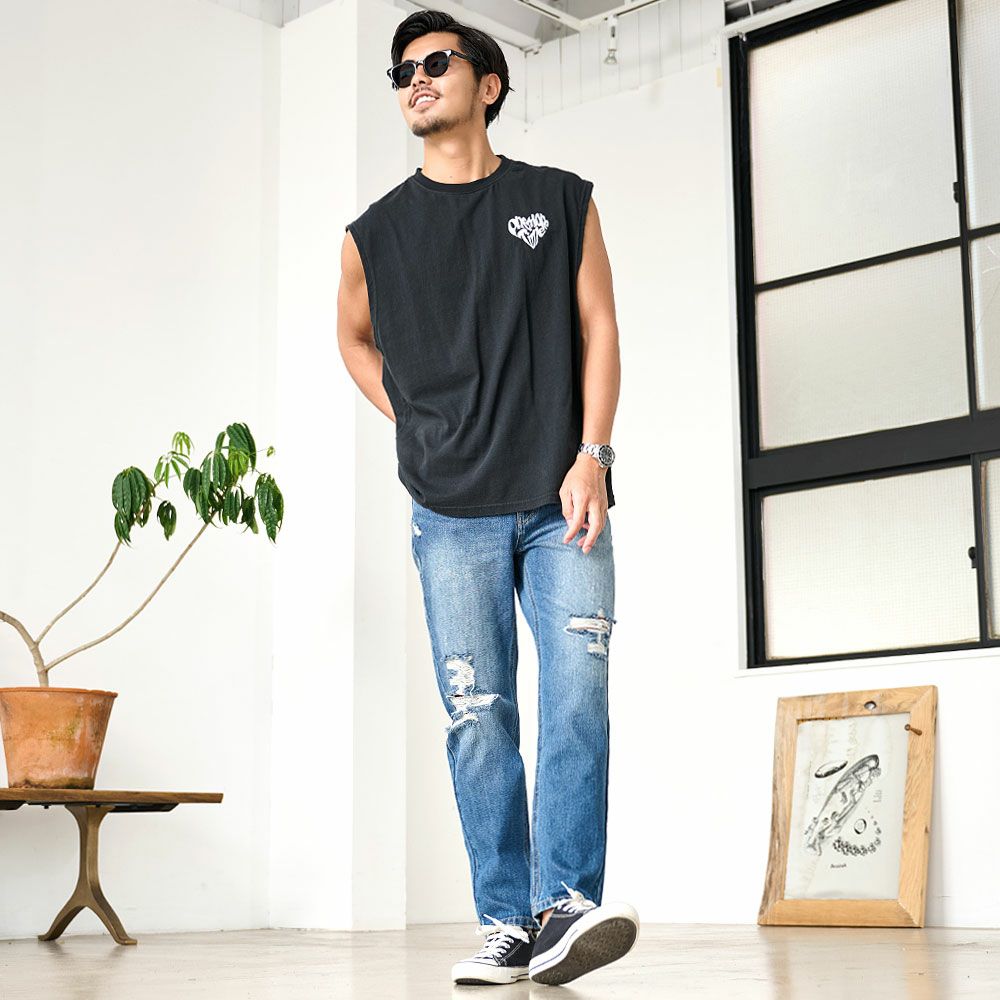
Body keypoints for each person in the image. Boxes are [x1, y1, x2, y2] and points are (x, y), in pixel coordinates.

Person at [338, 9, 638, 987]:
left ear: (488, 83)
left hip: (561, 499)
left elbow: (599, 326)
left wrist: (593, 454)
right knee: (479, 716)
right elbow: (353, 338)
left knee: (577, 694)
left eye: (435, 62)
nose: (416, 79)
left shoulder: (557, 200)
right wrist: (413, 420)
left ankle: (566, 906)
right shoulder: (374, 235)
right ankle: (507, 924)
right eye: (401, 72)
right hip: (450, 512)